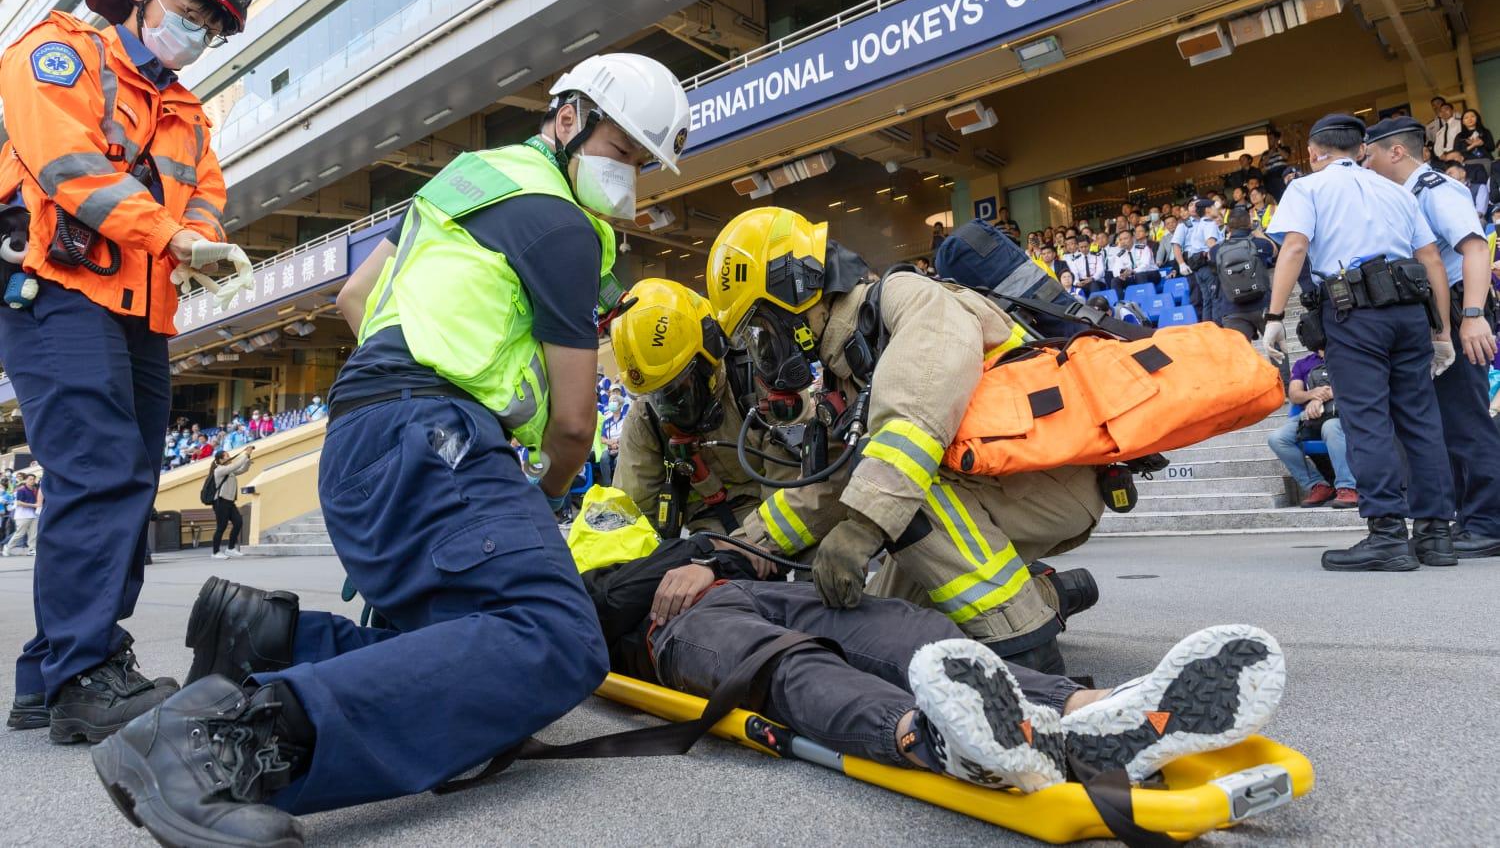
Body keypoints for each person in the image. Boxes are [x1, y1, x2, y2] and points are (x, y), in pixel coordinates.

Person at [91, 52, 691, 844]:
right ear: (571, 119)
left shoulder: (468, 179)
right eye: (624, 153)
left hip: (360, 436)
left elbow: (353, 295)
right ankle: (232, 745)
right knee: (555, 638)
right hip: (435, 435)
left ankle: (268, 642)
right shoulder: (564, 225)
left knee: (452, 653)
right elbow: (577, 424)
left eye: (642, 166)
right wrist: (539, 497)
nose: (629, 178)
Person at [173, 530, 1286, 804]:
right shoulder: (539, 573)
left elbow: (747, 534)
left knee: (899, 632)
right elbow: (462, 652)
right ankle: (940, 738)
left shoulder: (645, 508)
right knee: (784, 667)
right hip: (659, 635)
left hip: (736, 577)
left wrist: (706, 555)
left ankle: (1098, 709)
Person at [0, 0, 257, 740]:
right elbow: (69, 166)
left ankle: (49, 674)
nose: (196, 36)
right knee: (101, 472)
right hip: (55, 291)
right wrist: (176, 238)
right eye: (190, 12)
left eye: (209, 28)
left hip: (142, 310)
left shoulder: (186, 113)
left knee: (129, 482)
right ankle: (87, 675)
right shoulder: (56, 52)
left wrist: (204, 239)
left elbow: (204, 194)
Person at [707, 207, 1104, 675]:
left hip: (1050, 475)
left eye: (761, 328)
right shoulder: (847, 367)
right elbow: (825, 486)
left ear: (793, 288)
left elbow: (916, 417)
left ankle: (1026, 645)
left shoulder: (907, 298)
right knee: (884, 623)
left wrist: (862, 527)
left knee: (904, 499)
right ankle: (1047, 593)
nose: (762, 351)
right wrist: (744, 545)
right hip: (999, 482)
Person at [1263, 113, 1455, 573]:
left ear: (1313, 153)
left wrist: (1274, 317)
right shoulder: (1395, 190)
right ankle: (1436, 535)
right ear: (1361, 148)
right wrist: (1443, 331)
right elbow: (1429, 258)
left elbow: (1293, 247)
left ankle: (1387, 535)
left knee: (1367, 422)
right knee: (1421, 422)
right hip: (1410, 312)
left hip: (1354, 314)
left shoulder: (1308, 188)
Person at [1363, 116, 1500, 559]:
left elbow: (1475, 247)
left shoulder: (1435, 190)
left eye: (1370, 154)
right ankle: (1470, 517)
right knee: (1442, 425)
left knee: (1466, 422)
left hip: (1461, 309)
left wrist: (1474, 316)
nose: (1365, 161)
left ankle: (1489, 522)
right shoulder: (1403, 195)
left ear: (1397, 152)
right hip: (1437, 315)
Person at [608, 278, 776, 536]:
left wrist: (753, 542)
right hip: (706, 533)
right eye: (657, 394)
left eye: (678, 388)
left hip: (775, 519)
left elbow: (796, 486)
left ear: (709, 353)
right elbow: (630, 514)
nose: (668, 407)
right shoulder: (645, 418)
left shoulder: (757, 379)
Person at [1267, 350, 1358, 508]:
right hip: (1309, 415)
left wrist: (1328, 395)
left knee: (1330, 427)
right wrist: (1313, 395)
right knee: (1277, 438)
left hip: (1341, 412)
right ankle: (1318, 485)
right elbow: (1294, 395)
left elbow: (1359, 384)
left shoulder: (1348, 355)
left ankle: (1347, 486)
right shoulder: (1303, 363)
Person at [1212, 209, 1276, 341]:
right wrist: (1259, 233)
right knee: (1277, 352)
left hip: (1232, 309)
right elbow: (1274, 252)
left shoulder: (1216, 250)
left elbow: (1212, 261)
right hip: (1262, 306)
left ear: (1228, 227)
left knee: (1239, 357)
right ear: (1249, 224)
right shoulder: (1261, 244)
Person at [1172, 198, 1222, 322]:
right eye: (1191, 205)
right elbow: (1176, 245)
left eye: (1196, 205)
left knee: (1207, 299)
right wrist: (1181, 264)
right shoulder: (1186, 224)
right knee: (1203, 298)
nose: (1194, 207)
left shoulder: (1201, 223)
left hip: (1201, 263)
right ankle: (1214, 328)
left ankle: (1207, 328)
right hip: (1198, 264)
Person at [209, 447, 254, 560]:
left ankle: (230, 548)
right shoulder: (219, 470)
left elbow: (242, 470)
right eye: (226, 456)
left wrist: (247, 459)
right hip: (220, 502)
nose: (229, 457)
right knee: (221, 527)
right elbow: (235, 466)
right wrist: (245, 455)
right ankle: (215, 552)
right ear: (220, 460)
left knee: (238, 522)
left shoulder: (229, 470)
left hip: (229, 502)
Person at [1104, 229, 1161, 296]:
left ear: (1133, 238)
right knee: (1115, 280)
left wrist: (1132, 271)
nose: (1122, 241)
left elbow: (1145, 265)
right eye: (1121, 239)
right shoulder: (1120, 254)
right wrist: (1122, 274)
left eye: (1125, 238)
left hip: (1151, 274)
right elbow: (1115, 270)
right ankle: (1121, 303)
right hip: (1132, 277)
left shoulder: (1143, 248)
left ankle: (1145, 299)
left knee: (1139, 275)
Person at [2, 473, 41, 557]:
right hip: (22, 515)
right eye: (30, 479)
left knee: (33, 534)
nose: (32, 481)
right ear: (26, 480)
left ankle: (31, 549)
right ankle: (7, 547)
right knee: (20, 533)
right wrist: (33, 505)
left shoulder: (35, 489)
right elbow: (19, 503)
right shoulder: (21, 490)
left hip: (34, 515)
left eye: (33, 479)